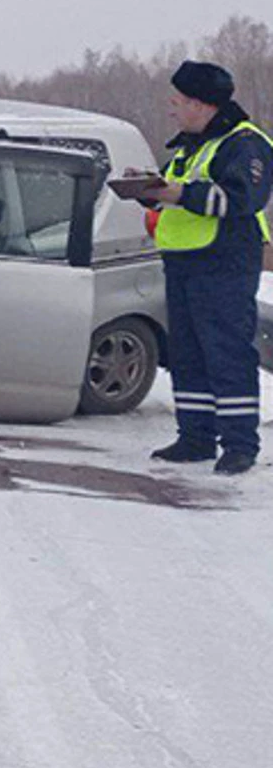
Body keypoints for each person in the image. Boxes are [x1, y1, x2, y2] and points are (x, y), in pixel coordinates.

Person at [140, 60, 272, 475]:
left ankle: (239, 444)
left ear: (200, 104)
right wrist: (145, 189)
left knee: (226, 352)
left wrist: (179, 194)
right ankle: (195, 437)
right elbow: (172, 191)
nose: (171, 109)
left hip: (225, 261)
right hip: (183, 262)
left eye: (177, 101)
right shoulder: (190, 143)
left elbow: (239, 200)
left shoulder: (245, 144)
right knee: (188, 353)